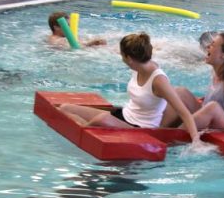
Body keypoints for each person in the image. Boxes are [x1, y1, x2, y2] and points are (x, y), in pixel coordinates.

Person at [60, 32, 202, 144]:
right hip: (124, 116)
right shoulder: (137, 64)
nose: (120, 57)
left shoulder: (158, 80)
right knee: (66, 108)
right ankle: (88, 130)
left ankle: (84, 133)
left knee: (101, 120)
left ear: (128, 58)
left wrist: (196, 141)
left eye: (122, 55)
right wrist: (93, 45)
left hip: (140, 128)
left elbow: (184, 113)